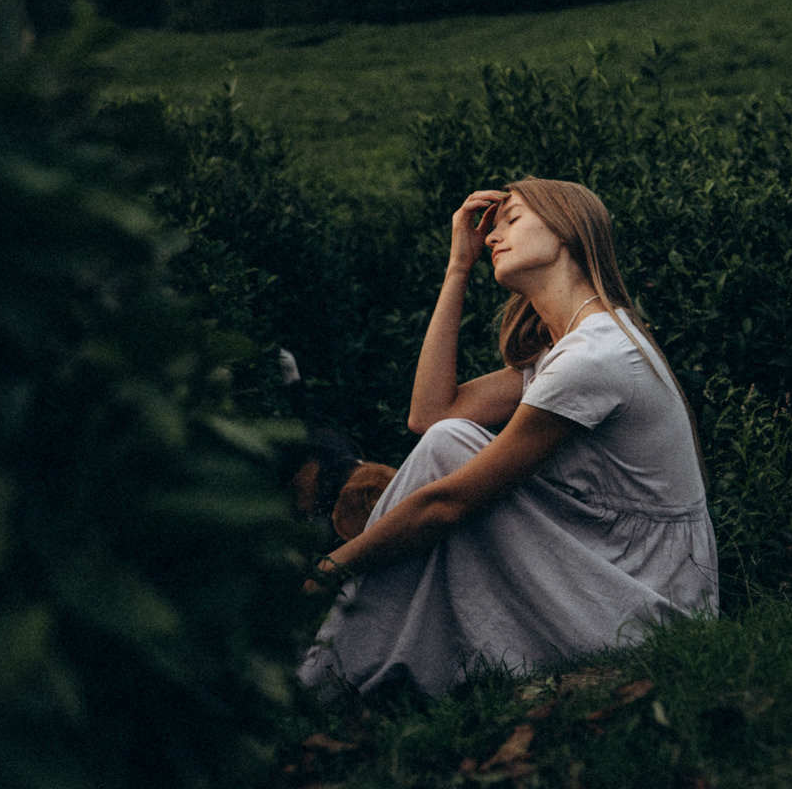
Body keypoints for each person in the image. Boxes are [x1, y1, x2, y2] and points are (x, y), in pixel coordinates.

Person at [298, 177, 717, 698]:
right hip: (610, 567)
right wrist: (458, 268)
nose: (493, 236)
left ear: (565, 229)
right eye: (491, 229)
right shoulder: (567, 349)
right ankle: (343, 670)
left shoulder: (594, 357)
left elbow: (447, 503)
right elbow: (429, 413)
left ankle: (325, 678)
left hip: (645, 598)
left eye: (512, 220)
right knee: (449, 438)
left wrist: (336, 564)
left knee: (452, 455)